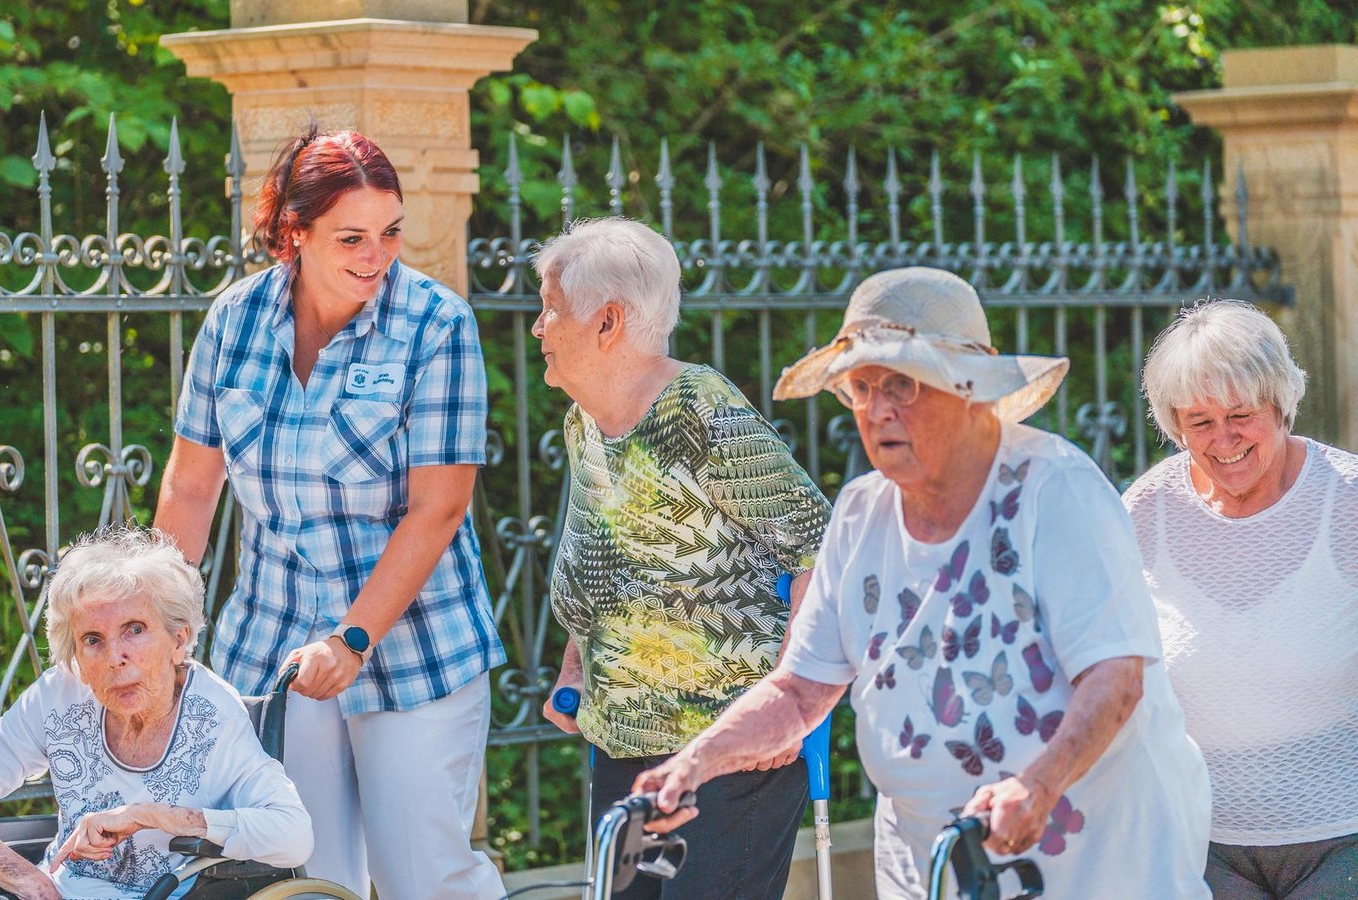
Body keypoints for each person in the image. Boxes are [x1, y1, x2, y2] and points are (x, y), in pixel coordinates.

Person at [632, 267, 1213, 899]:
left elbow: (1115, 678)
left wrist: (1038, 785)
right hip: (931, 868)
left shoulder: (1055, 489)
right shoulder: (860, 513)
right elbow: (800, 692)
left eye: (902, 384)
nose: (877, 410)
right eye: (860, 387)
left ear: (969, 388)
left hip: (1100, 870)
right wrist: (694, 763)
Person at [153, 126, 505, 900]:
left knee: (426, 878)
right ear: (294, 232)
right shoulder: (234, 323)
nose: (375, 256)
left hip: (414, 652)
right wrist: (158, 637)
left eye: (390, 233)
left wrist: (352, 639)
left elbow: (438, 510)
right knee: (299, 881)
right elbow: (189, 491)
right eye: (351, 237)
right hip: (273, 653)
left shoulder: (436, 327)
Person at [532, 218, 831, 900]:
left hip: (731, 752)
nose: (538, 327)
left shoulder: (699, 410)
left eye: (550, 308)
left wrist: (790, 699)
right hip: (623, 745)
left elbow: (821, 547)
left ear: (608, 322)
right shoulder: (585, 422)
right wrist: (577, 660)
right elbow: (605, 563)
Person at [0, 527, 314, 900]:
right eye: (92, 640)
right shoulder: (60, 695)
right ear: (76, 655)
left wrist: (152, 817)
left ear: (179, 639)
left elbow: (293, 835)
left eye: (134, 629)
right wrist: (27, 880)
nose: (115, 659)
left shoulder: (212, 718)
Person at [1124, 299, 1358, 899]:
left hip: (1343, 841)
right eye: (1198, 422)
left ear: (1280, 404)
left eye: (1240, 414)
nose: (1223, 439)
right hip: (1198, 846)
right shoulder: (1144, 513)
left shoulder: (1348, 501)